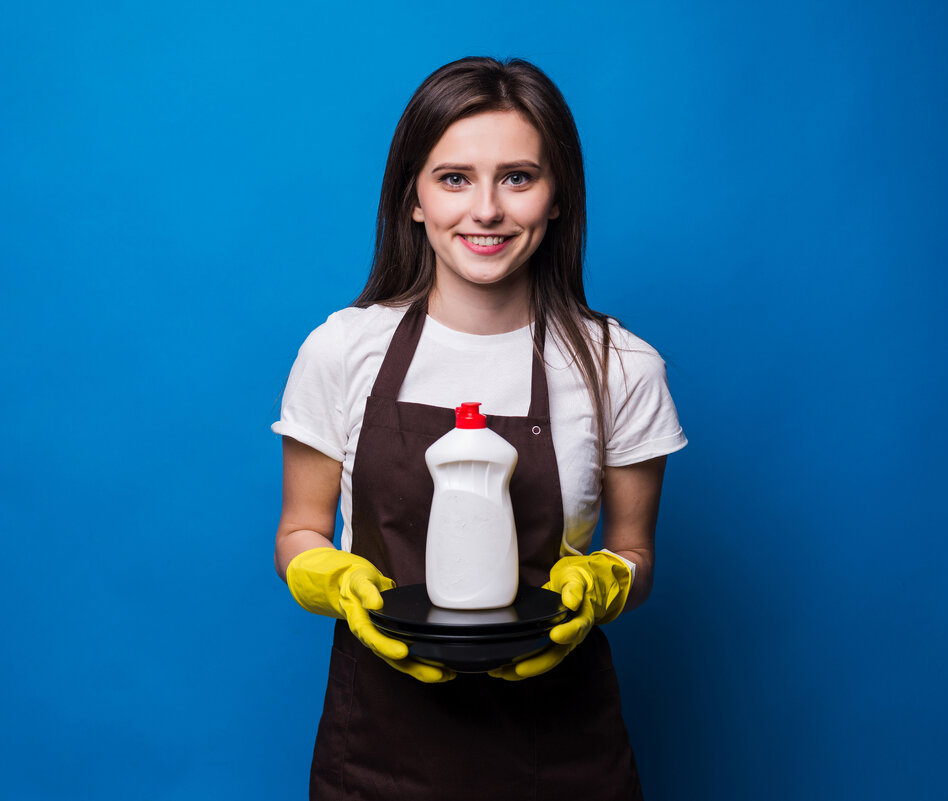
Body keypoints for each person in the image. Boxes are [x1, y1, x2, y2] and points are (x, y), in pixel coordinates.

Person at [272, 56, 686, 801]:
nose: (486, 210)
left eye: (518, 177)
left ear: (558, 197)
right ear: (413, 198)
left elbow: (635, 551)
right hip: (378, 754)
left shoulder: (619, 365)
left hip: (563, 753)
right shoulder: (340, 350)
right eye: (454, 177)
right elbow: (298, 529)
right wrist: (324, 573)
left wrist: (607, 579)